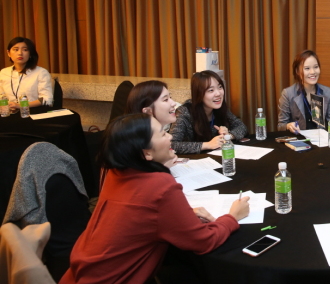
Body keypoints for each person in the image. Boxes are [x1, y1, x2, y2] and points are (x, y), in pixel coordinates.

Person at [60, 113, 250, 284]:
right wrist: (232, 217)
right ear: (146, 153)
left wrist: (176, 215)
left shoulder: (116, 172)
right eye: (162, 133)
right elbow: (204, 241)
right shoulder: (159, 186)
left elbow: (139, 213)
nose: (169, 137)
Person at [170, 71, 248, 154]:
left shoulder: (219, 107)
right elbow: (172, 145)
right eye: (211, 90)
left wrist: (227, 136)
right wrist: (208, 145)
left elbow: (241, 126)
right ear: (198, 94)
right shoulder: (183, 112)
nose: (218, 93)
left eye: (220, 87)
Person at [277, 50, 330, 133]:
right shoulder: (288, 94)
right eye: (307, 68)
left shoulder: (327, 92)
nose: (313, 72)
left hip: (320, 142)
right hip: (299, 141)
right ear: (297, 71)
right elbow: (280, 126)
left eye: (316, 67)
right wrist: (288, 125)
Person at [124, 80, 179, 167]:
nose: (173, 103)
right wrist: (163, 168)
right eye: (165, 99)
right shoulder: (139, 146)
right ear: (147, 111)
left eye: (170, 97)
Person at [0, 37, 53, 112]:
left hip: (33, 112)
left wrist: (20, 105)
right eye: (16, 49)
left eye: (25, 50)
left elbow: (46, 99)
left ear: (30, 53)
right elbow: (1, 96)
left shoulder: (41, 72)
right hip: (8, 112)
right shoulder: (4, 72)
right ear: (8, 53)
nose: (20, 53)